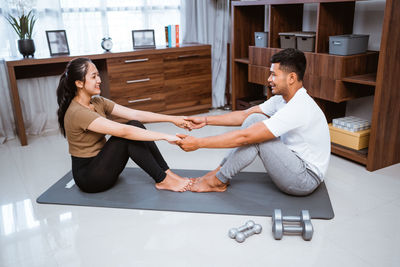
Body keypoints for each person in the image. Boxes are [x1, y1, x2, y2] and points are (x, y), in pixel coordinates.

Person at [177, 48, 330, 196]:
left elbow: (245, 137)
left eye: (274, 75)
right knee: (255, 118)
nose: (269, 79)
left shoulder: (299, 106)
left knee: (255, 137)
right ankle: (219, 171)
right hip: (292, 163)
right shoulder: (281, 100)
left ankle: (218, 181)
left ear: (291, 78)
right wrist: (205, 120)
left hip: (304, 179)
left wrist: (198, 143)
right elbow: (244, 116)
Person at [57, 57, 192, 193]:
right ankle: (163, 180)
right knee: (127, 136)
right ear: (79, 83)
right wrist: (165, 136)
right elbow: (123, 131)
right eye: (93, 77)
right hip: (90, 178)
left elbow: (135, 115)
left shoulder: (97, 102)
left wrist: (172, 119)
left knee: (135, 124)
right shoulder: (77, 112)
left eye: (98, 75)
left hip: (103, 165)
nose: (99, 80)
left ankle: (167, 174)